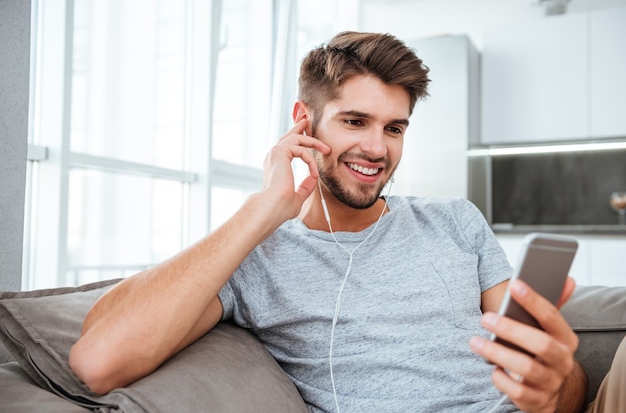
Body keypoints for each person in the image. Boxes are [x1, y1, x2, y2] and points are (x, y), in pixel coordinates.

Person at [70, 31, 590, 412]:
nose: (376, 148)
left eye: (394, 128)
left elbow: (560, 381)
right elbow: (98, 364)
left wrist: (555, 385)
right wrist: (262, 209)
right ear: (304, 120)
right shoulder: (257, 256)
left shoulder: (455, 219)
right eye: (355, 121)